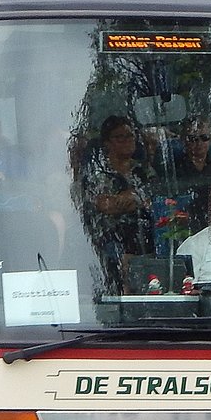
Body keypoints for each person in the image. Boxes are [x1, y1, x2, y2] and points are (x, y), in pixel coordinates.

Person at [79, 115, 154, 292]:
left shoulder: (142, 170)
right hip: (111, 241)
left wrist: (125, 199)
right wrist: (137, 198)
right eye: (120, 137)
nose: (127, 141)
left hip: (146, 238)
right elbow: (106, 205)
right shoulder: (97, 172)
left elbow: (153, 201)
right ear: (107, 143)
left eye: (130, 136)